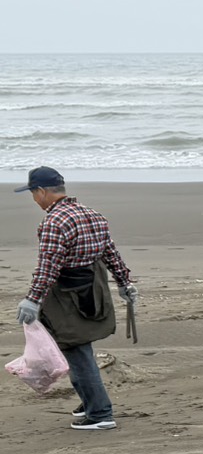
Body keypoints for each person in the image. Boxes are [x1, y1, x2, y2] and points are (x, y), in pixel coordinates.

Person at [14, 166, 139, 431]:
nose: (34, 199)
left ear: (42, 191)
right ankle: (89, 400)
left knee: (76, 349)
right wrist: (124, 283)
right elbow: (111, 253)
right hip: (93, 290)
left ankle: (100, 414)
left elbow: (48, 266)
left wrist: (33, 300)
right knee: (77, 348)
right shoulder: (93, 214)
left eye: (33, 193)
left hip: (67, 296)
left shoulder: (54, 222)